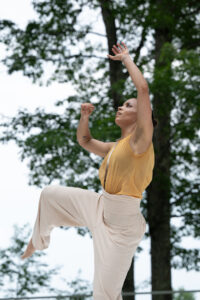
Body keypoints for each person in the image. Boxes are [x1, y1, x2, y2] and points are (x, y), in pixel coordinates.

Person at [21, 42, 157, 299]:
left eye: (128, 105)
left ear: (143, 116)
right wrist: (84, 116)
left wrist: (126, 59)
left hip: (122, 225)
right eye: (122, 105)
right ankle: (38, 240)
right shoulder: (116, 147)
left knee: (104, 294)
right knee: (50, 194)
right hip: (100, 206)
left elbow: (143, 88)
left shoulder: (141, 142)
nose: (121, 107)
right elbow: (84, 141)